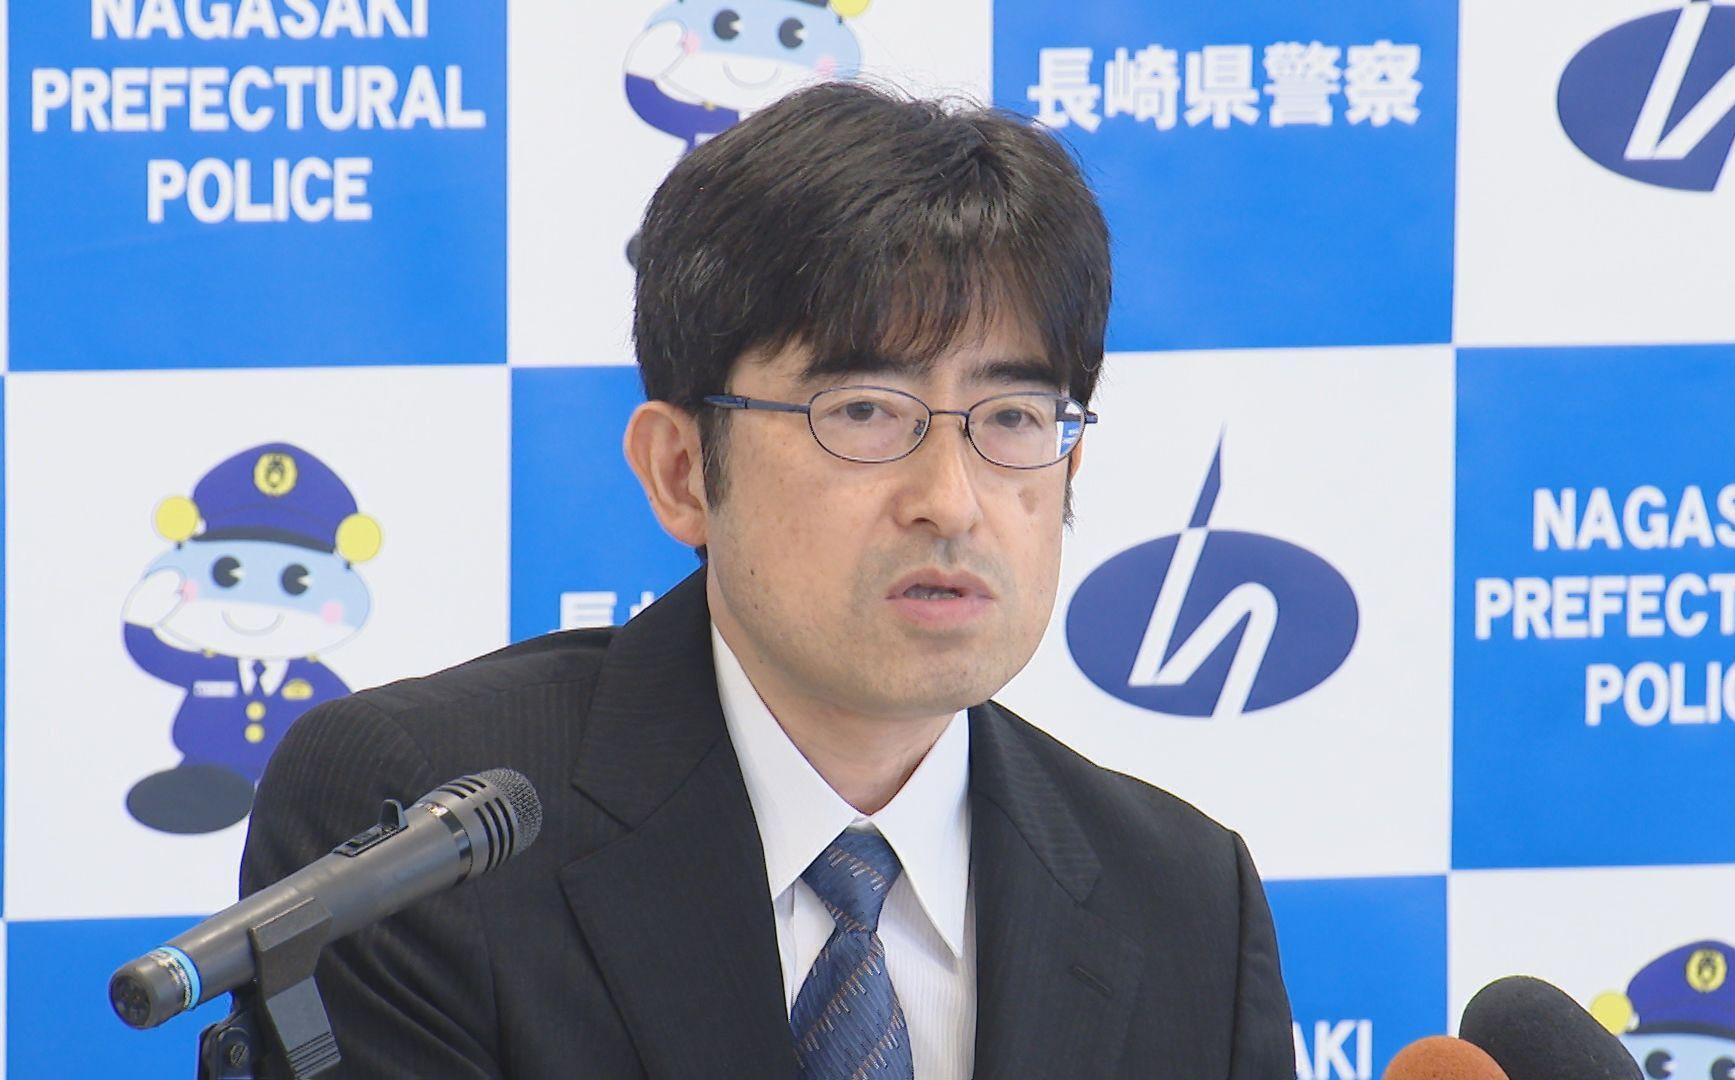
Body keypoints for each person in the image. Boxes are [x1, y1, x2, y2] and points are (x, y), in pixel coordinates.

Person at [241, 81, 1293, 1078]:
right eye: (865, 412)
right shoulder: (432, 831)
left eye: (1012, 418)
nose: (952, 500)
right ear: (682, 472)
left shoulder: (1187, 902)